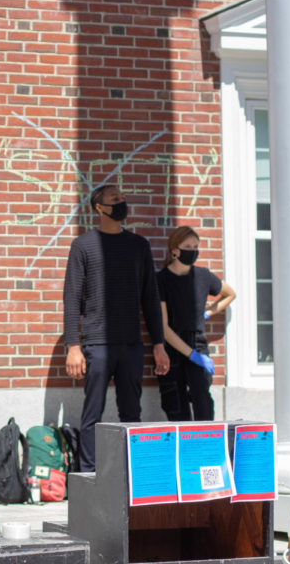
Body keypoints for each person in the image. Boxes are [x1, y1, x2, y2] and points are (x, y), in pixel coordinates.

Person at [63, 184, 169, 472]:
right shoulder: (83, 245)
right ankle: (88, 474)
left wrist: (158, 344)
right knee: (92, 413)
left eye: (123, 198)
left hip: (132, 344)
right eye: (114, 199)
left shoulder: (139, 246)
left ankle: (132, 475)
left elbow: (150, 298)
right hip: (96, 344)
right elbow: (72, 297)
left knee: (131, 413)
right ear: (99, 207)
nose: (121, 203)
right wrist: (73, 346)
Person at [155, 226, 236, 421]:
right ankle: (182, 449)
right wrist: (191, 355)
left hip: (198, 343)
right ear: (174, 249)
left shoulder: (203, 275)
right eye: (187, 246)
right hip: (173, 349)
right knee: (176, 404)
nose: (193, 250)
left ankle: (206, 447)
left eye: (195, 246)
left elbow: (230, 294)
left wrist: (208, 312)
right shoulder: (161, 280)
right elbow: (164, 329)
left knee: (203, 400)